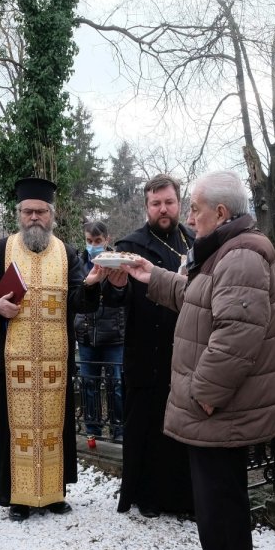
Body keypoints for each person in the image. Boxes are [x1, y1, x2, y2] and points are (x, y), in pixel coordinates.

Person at [123, 171, 275, 550]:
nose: (188, 216)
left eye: (193, 208)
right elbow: (199, 298)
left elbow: (236, 337)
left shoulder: (241, 258)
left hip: (222, 405)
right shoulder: (227, 252)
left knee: (222, 494)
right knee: (213, 490)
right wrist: (151, 276)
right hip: (217, 404)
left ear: (220, 212)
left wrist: (205, 395)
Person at [0, 177, 108, 521]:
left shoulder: (67, 253)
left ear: (51, 215)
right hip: (13, 362)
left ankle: (53, 493)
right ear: (19, 214)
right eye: (28, 211)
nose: (34, 218)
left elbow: (78, 300)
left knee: (52, 430)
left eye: (41, 212)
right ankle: (17, 497)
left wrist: (90, 285)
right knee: (14, 431)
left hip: (53, 365)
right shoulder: (1, 249)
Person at [110, 174, 196, 518]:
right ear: (147, 207)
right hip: (145, 348)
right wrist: (115, 287)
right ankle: (146, 496)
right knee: (146, 425)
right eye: (156, 203)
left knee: (181, 428)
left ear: (179, 204)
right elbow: (113, 298)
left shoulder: (193, 241)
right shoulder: (130, 245)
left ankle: (182, 498)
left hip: (184, 347)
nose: (163, 209)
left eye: (169, 202)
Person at [74, 221, 126, 440]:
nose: (93, 245)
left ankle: (119, 431)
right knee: (89, 385)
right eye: (89, 241)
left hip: (113, 336)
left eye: (97, 241)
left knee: (117, 386)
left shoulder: (118, 262)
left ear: (106, 239)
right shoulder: (78, 263)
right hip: (86, 336)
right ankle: (92, 431)